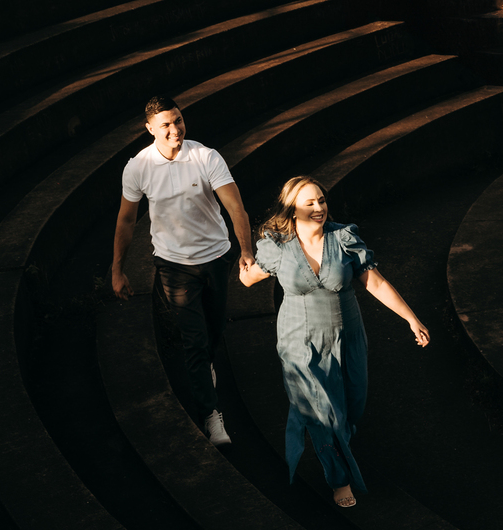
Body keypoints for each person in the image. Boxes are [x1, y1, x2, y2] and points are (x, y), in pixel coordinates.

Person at [240, 176, 429, 507]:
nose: (318, 208)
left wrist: (411, 318)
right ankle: (339, 478)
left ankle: (338, 444)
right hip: (300, 342)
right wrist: (245, 270)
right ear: (292, 209)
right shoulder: (278, 246)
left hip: (348, 336)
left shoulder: (342, 237)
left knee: (352, 405)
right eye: (309, 203)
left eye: (322, 201)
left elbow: (376, 282)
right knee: (323, 412)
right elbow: (250, 276)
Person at [110, 95, 255, 446]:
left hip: (216, 257)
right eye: (165, 125)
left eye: (178, 120)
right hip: (173, 266)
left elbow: (236, 208)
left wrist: (246, 251)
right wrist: (117, 270)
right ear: (150, 130)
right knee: (194, 340)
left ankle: (205, 366)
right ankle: (211, 416)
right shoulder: (138, 167)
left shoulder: (205, 156)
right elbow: (127, 221)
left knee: (215, 328)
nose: (175, 129)